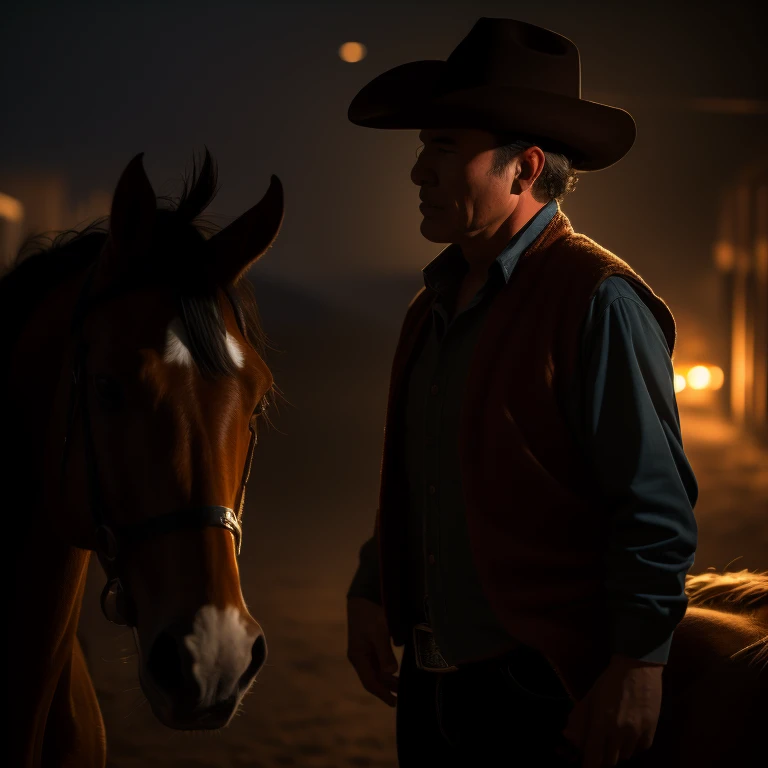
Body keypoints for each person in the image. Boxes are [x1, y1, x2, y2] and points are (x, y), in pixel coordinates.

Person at [344, 17, 699, 768]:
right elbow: (422, 476)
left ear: (524, 167)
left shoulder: (595, 298)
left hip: (543, 694)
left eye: (444, 148)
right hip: (431, 692)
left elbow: (654, 503)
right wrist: (375, 588)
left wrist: (639, 662)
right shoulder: (431, 305)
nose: (419, 171)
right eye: (422, 147)